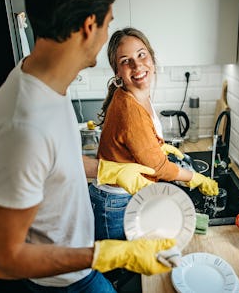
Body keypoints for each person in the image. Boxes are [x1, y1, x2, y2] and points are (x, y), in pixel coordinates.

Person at [0, 0, 180, 292]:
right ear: (89, 26)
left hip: (79, 260)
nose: (107, 33)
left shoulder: (50, 83)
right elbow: (1, 258)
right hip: (66, 282)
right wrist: (105, 254)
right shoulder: (21, 126)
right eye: (108, 22)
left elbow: (55, 164)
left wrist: (105, 170)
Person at [89, 27, 219, 242]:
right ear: (117, 72)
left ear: (151, 57)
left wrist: (159, 145)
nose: (137, 65)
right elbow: (158, 167)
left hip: (124, 197)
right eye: (125, 61)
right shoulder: (130, 108)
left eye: (141, 55)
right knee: (119, 271)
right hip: (116, 204)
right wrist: (195, 178)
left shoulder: (137, 95)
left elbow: (138, 140)